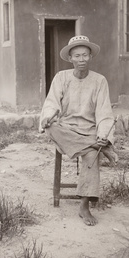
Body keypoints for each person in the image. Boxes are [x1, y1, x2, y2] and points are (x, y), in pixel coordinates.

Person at [40, 35, 117, 226]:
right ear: (70, 58)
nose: (81, 60)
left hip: (88, 129)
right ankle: (97, 147)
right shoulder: (61, 78)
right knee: (51, 127)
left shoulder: (99, 81)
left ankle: (84, 207)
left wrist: (102, 136)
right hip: (65, 129)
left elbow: (104, 111)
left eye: (85, 55)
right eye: (77, 56)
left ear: (90, 57)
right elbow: (51, 103)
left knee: (92, 155)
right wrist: (48, 117)